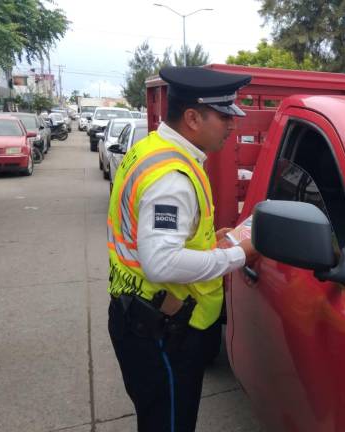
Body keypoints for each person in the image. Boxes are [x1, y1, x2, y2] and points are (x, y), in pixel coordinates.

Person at [106, 66, 257, 432]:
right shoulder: (172, 177)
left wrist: (210, 239)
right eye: (224, 117)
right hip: (161, 330)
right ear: (192, 117)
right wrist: (239, 255)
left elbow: (157, 234)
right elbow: (161, 263)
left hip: (137, 314)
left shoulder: (152, 148)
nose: (232, 126)